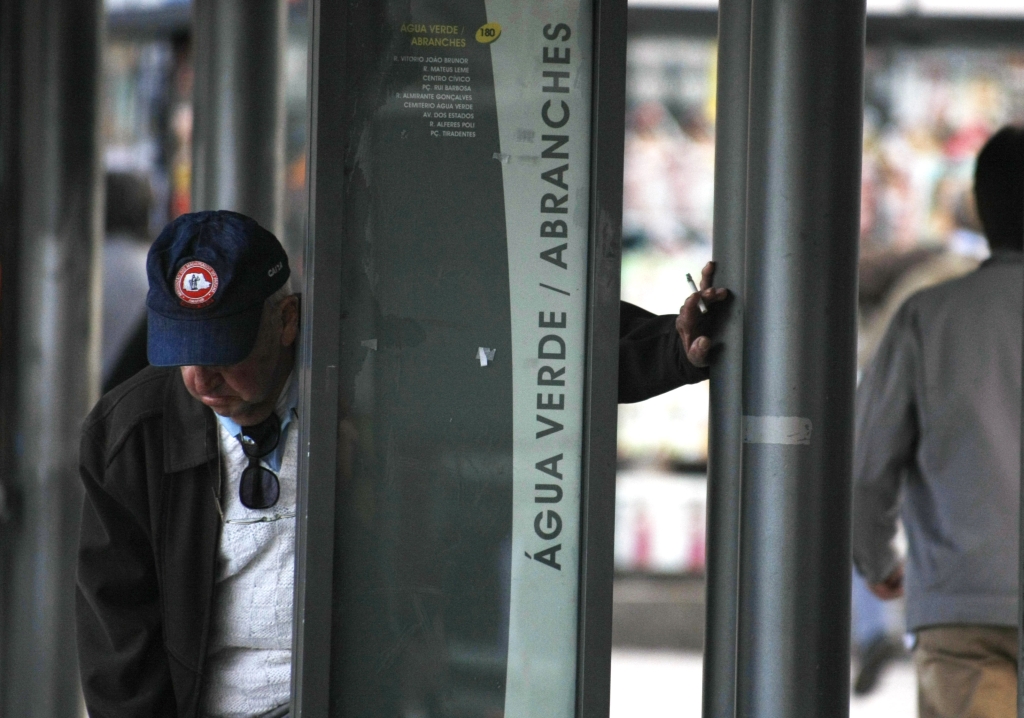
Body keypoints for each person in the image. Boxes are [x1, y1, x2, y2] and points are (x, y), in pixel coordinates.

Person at [76, 209, 728, 717]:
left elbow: (524, 358)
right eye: (184, 352)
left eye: (225, 350)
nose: (204, 377)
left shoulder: (370, 372)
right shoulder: (130, 436)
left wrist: (670, 349)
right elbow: (118, 641)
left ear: (288, 321)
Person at [853, 125, 1024, 717]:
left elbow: (867, 465)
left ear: (983, 208)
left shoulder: (927, 318)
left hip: (960, 607)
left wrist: (878, 562)